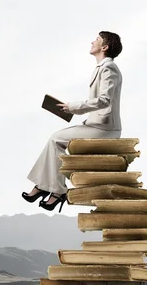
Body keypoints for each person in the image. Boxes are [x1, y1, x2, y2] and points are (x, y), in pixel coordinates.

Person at [21, 31, 123, 213]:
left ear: (104, 47)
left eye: (97, 40)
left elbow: (104, 100)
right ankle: (45, 186)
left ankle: (56, 190)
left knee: (55, 139)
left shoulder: (109, 68)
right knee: (54, 139)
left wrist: (72, 107)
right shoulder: (102, 68)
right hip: (95, 124)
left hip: (105, 128)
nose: (92, 41)